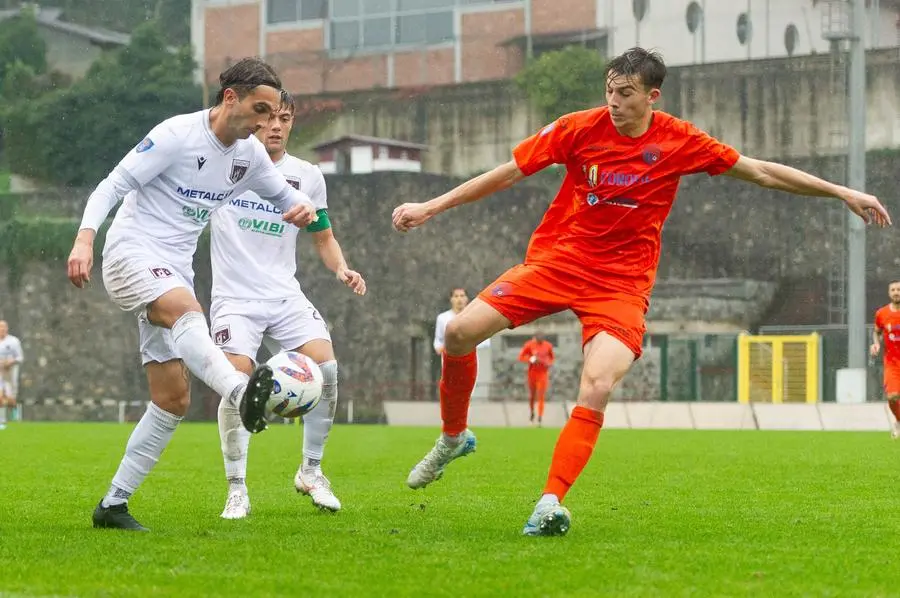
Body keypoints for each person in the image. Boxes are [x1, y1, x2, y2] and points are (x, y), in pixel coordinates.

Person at [391, 47, 891, 537]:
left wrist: (842, 191)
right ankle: (453, 437)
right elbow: (508, 172)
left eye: (625, 93)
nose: (614, 100)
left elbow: (759, 170)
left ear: (652, 96)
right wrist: (432, 207)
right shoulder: (576, 128)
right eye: (609, 89)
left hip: (621, 285)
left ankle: (549, 502)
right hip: (558, 261)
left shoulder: (679, 140)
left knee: (598, 385)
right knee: (458, 333)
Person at [66, 57, 319, 532]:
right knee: (188, 309)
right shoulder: (176, 136)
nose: (267, 123)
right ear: (230, 98)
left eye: (274, 114)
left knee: (172, 399)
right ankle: (241, 391)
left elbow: (286, 199)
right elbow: (112, 186)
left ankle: (113, 505)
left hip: (174, 269)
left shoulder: (250, 156)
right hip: (130, 253)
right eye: (259, 110)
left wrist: (301, 210)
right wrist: (84, 238)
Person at [211, 92, 366, 520]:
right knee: (235, 380)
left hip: (284, 295)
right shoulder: (226, 164)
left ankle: (312, 471)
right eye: (268, 117)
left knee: (328, 369)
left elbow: (323, 236)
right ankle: (237, 489)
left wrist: (341, 269)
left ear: (292, 123)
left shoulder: (308, 176)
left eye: (285, 118)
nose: (275, 126)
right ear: (253, 117)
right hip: (235, 299)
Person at [871, 280, 900, 438]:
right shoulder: (882, 313)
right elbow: (877, 331)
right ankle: (899, 420)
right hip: (892, 363)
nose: (896, 292)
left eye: (899, 290)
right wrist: (876, 344)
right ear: (889, 293)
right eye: (893, 290)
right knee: (892, 397)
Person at [433, 288, 490, 355]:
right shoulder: (442, 318)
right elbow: (438, 339)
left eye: (462, 296)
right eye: (456, 296)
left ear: (467, 298)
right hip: (450, 357)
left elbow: (485, 341)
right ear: (451, 299)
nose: (459, 299)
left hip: (472, 357)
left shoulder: (475, 316)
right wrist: (440, 348)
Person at [518, 333, 554, 426]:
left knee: (541, 396)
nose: (540, 341)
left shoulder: (548, 345)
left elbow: (552, 358)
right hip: (532, 374)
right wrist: (530, 359)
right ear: (535, 338)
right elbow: (521, 357)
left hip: (543, 374)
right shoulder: (529, 345)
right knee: (532, 396)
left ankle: (540, 417)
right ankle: (532, 413)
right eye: (538, 339)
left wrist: (549, 363)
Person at [0, 320, 23, 429]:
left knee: (10, 398)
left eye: (3, 327)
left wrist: (10, 362)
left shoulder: (14, 341)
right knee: (0, 396)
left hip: (10, 372)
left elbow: (20, 357)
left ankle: (14, 410)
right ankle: (2, 420)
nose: (1, 329)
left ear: (7, 328)